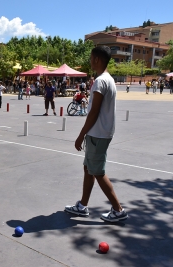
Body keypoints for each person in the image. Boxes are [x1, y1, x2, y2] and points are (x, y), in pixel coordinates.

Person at [64, 46, 128, 223]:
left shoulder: (100, 82)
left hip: (98, 133)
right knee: (88, 168)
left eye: (91, 57)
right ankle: (82, 205)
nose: (90, 60)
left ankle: (118, 209)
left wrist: (81, 134)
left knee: (98, 172)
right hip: (101, 132)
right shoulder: (109, 80)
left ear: (97, 59)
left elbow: (93, 112)